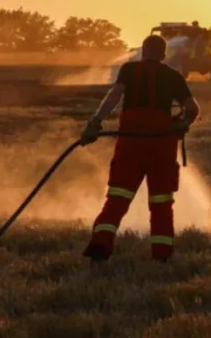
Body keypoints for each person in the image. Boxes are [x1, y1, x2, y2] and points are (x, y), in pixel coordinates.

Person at [78, 34, 200, 263]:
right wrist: (180, 124)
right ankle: (162, 256)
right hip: (161, 146)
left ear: (143, 51)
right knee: (161, 203)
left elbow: (113, 96)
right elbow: (193, 109)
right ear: (164, 54)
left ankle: (101, 244)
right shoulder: (173, 76)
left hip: (130, 144)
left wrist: (95, 123)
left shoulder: (129, 70)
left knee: (117, 197)